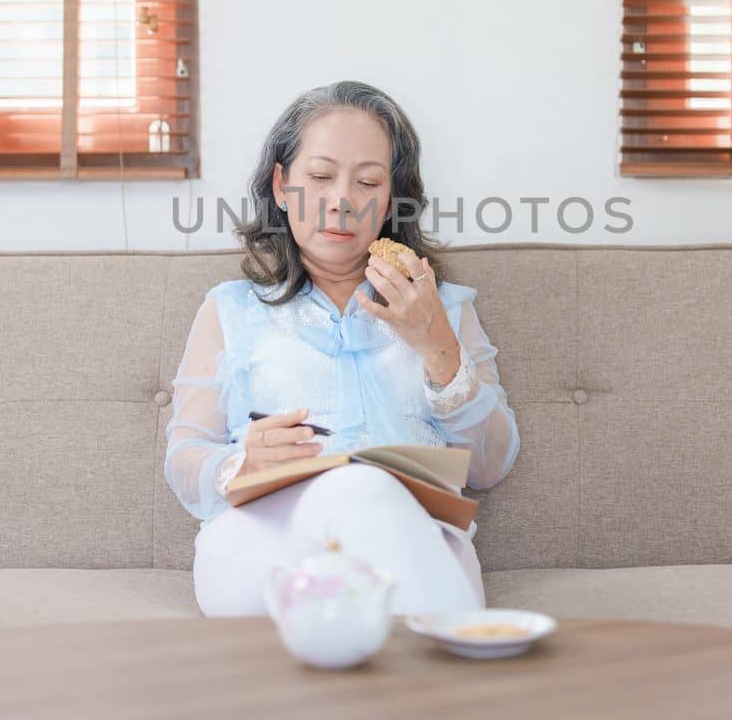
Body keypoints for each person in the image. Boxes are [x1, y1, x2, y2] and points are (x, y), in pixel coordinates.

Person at [163, 80, 520, 616]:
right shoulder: (229, 309)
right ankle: (451, 656)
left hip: (410, 539)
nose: (343, 201)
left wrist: (439, 348)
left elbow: (490, 465)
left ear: (391, 198)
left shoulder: (442, 307)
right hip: (264, 538)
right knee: (354, 489)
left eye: (368, 181)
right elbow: (185, 458)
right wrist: (239, 463)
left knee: (364, 492)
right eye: (321, 176)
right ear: (282, 186)